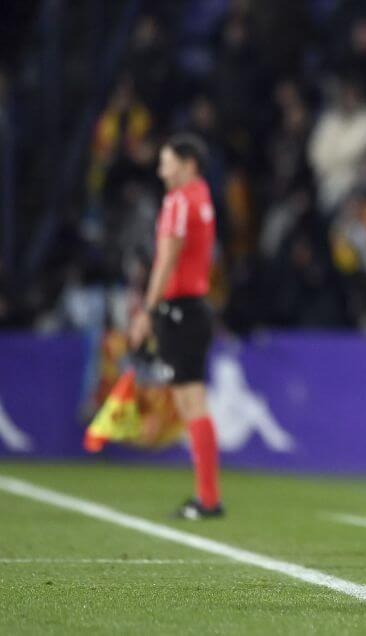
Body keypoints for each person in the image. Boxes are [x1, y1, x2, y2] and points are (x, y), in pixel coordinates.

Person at [129, 133, 223, 520]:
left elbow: (166, 260)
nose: (160, 169)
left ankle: (208, 499)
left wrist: (147, 311)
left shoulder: (179, 201)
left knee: (191, 401)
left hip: (179, 310)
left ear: (188, 164)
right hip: (195, 309)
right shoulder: (202, 198)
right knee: (191, 402)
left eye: (166, 161)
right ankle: (207, 497)